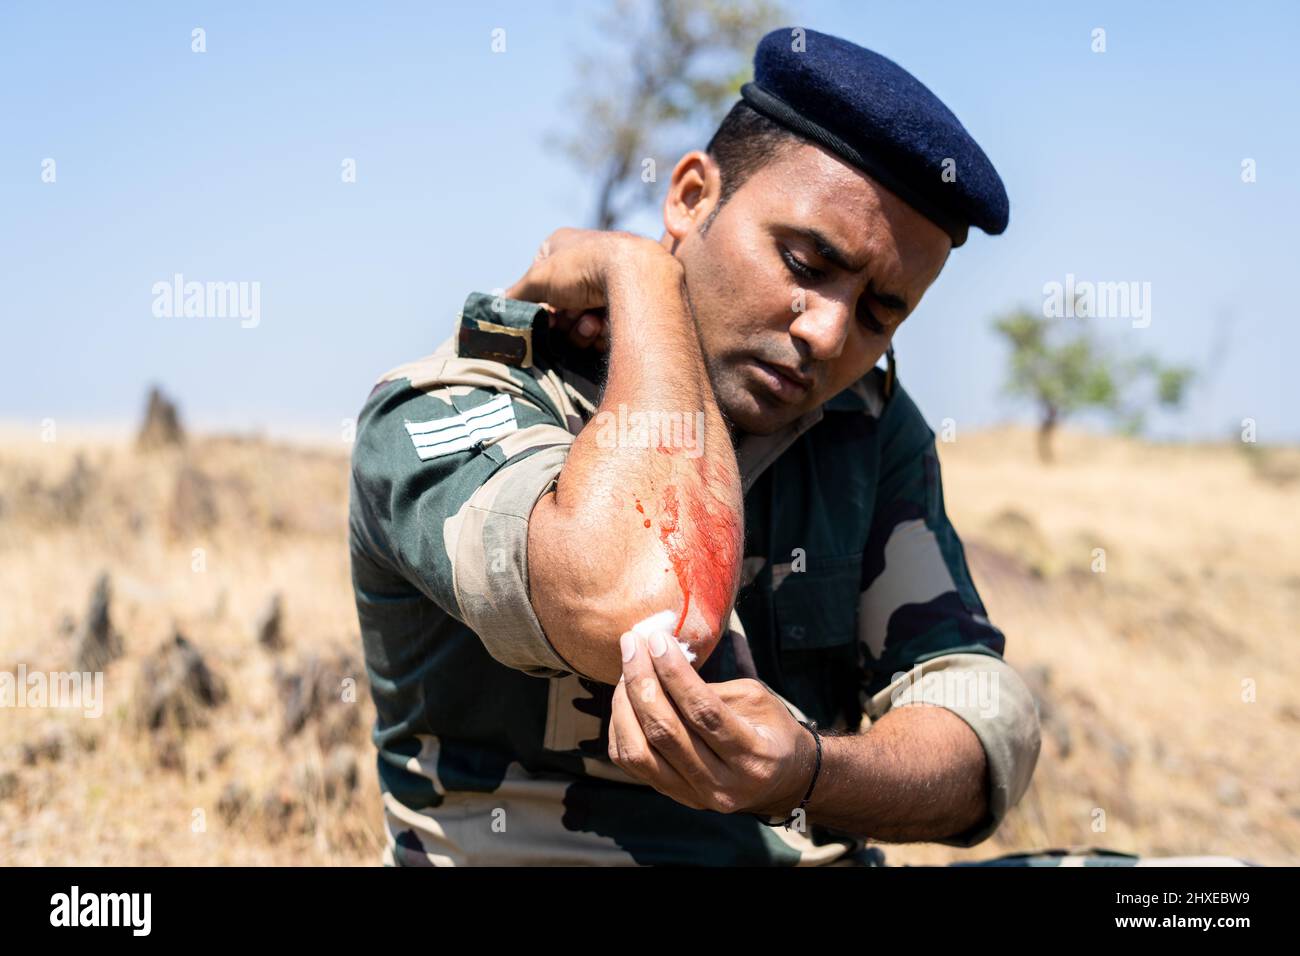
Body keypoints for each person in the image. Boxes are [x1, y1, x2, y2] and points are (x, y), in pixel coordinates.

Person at [348, 26, 1043, 865]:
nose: (827, 333)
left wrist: (811, 773)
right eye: (805, 261)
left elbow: (980, 718)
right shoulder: (458, 398)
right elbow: (635, 597)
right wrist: (642, 276)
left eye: (879, 313)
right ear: (688, 198)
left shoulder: (866, 429)